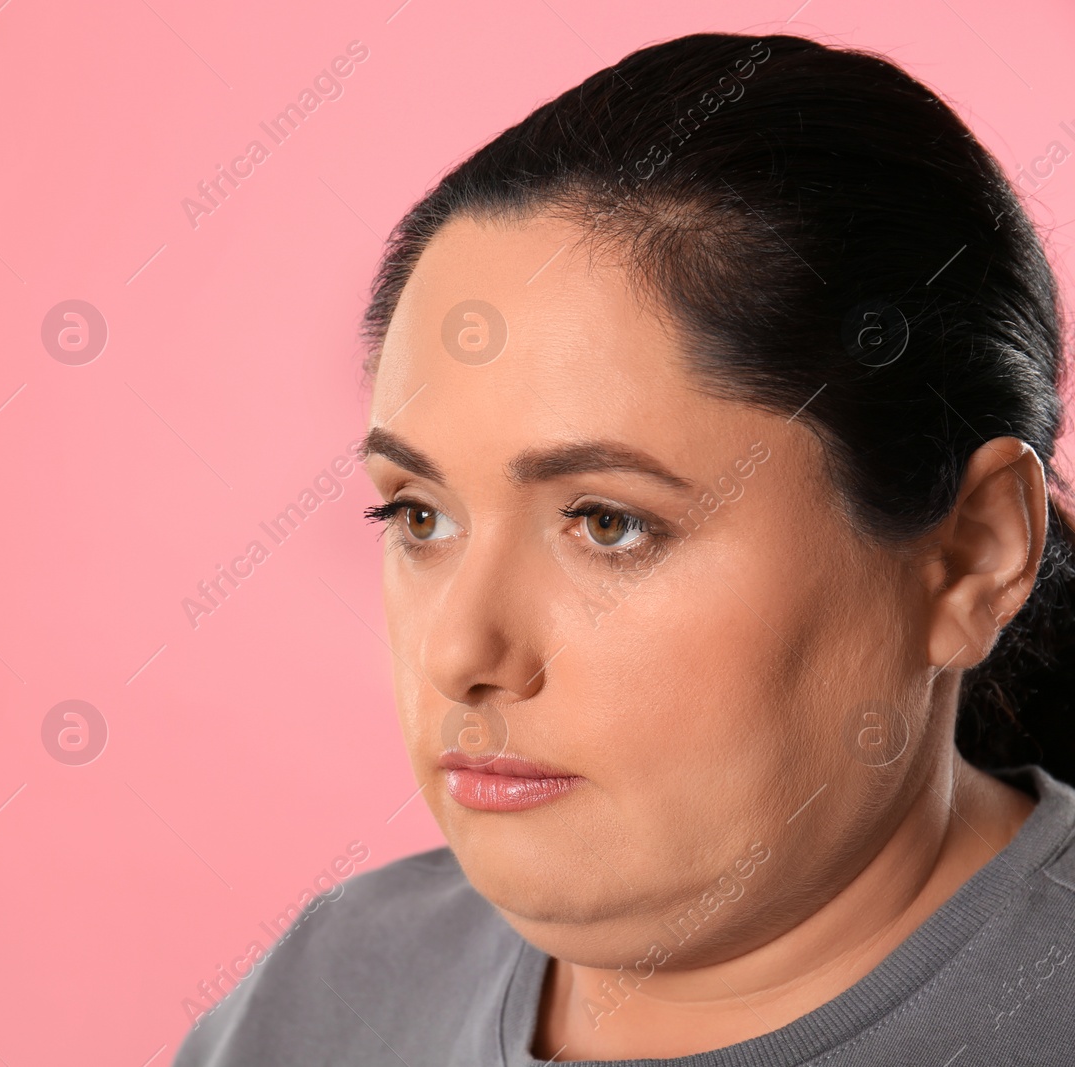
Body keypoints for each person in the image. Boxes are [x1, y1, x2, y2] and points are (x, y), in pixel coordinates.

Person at [171, 31, 1075, 1066]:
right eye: (420, 514)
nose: (461, 653)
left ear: (970, 555)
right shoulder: (323, 995)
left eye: (608, 522)